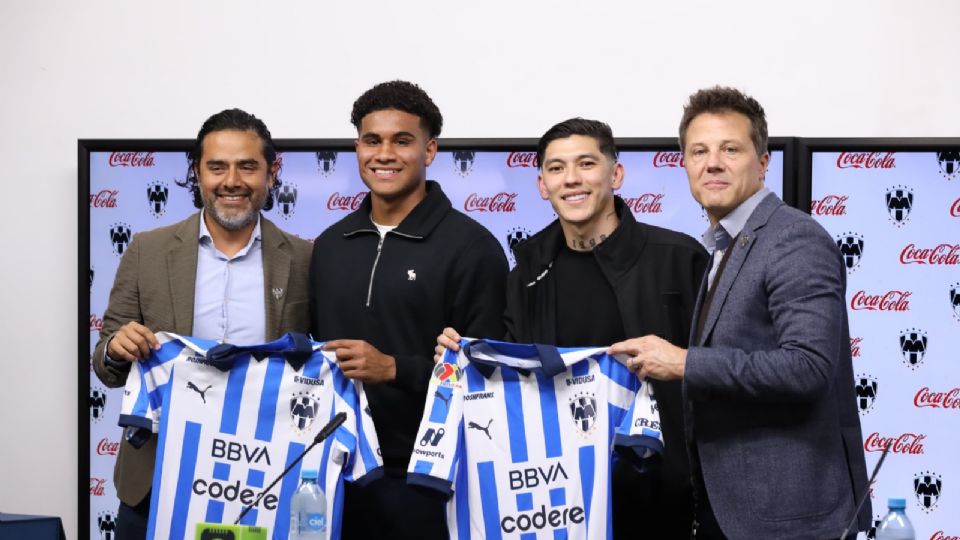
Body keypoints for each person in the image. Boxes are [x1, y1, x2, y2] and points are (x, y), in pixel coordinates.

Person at [609, 87, 871, 539]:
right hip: (733, 510)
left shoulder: (793, 239)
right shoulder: (725, 245)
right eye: (699, 151)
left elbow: (808, 368)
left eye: (730, 149)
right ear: (686, 164)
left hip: (788, 519)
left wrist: (683, 362)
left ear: (763, 161)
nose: (713, 162)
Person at [437, 118, 709, 539]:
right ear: (542, 184)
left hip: (663, 497)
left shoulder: (680, 259)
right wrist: (461, 358)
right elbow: (510, 378)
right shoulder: (526, 272)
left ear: (615, 174)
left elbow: (719, 368)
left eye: (586, 164)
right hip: (559, 499)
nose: (572, 180)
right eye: (557, 168)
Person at [92, 108, 312, 539]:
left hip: (264, 481)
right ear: (198, 172)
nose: (232, 180)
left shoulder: (305, 259)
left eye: (248, 165)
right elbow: (105, 365)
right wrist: (117, 346)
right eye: (217, 167)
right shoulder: (146, 251)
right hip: (155, 480)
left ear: (271, 172)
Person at [308, 80, 508, 539]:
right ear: (357, 147)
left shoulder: (472, 247)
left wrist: (396, 369)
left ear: (430, 149)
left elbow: (489, 378)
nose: (384, 154)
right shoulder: (331, 244)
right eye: (371, 140)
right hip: (333, 473)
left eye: (402, 141)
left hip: (428, 481)